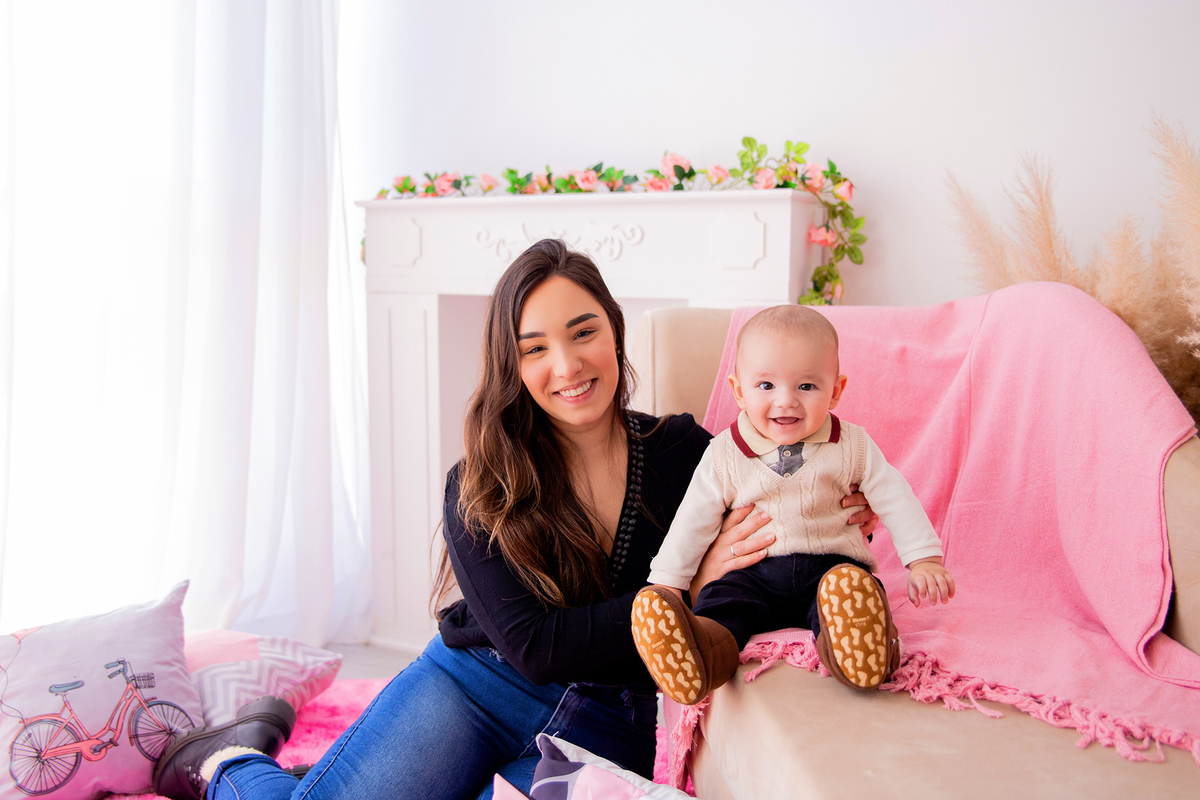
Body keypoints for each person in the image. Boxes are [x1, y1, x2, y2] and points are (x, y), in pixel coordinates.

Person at [152, 240, 878, 800]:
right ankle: (233, 759)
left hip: (617, 717)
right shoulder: (478, 485)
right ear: (513, 363)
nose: (567, 365)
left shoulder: (686, 451)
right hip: (477, 686)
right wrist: (685, 590)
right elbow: (536, 647)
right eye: (535, 349)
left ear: (614, 332)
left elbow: (790, 499)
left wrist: (843, 505)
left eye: (583, 332)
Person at [631, 304, 955, 705]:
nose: (786, 401)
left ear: (835, 390)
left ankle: (860, 648)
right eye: (766, 386)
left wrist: (923, 558)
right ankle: (700, 654)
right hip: (753, 574)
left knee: (849, 590)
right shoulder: (724, 454)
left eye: (806, 387)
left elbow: (895, 495)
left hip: (832, 567)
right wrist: (668, 582)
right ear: (738, 391)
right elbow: (693, 519)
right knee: (724, 605)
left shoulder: (852, 445)